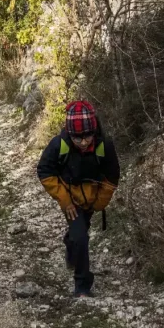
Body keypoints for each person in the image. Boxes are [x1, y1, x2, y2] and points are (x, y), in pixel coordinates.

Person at [36, 100, 120, 298]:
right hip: (71, 202)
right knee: (81, 236)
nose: (83, 142)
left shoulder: (105, 146)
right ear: (69, 133)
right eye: (78, 138)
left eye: (87, 136)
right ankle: (82, 285)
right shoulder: (59, 145)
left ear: (95, 130)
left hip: (92, 199)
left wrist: (101, 201)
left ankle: (70, 243)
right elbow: (44, 171)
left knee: (79, 233)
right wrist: (64, 200)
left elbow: (112, 175)